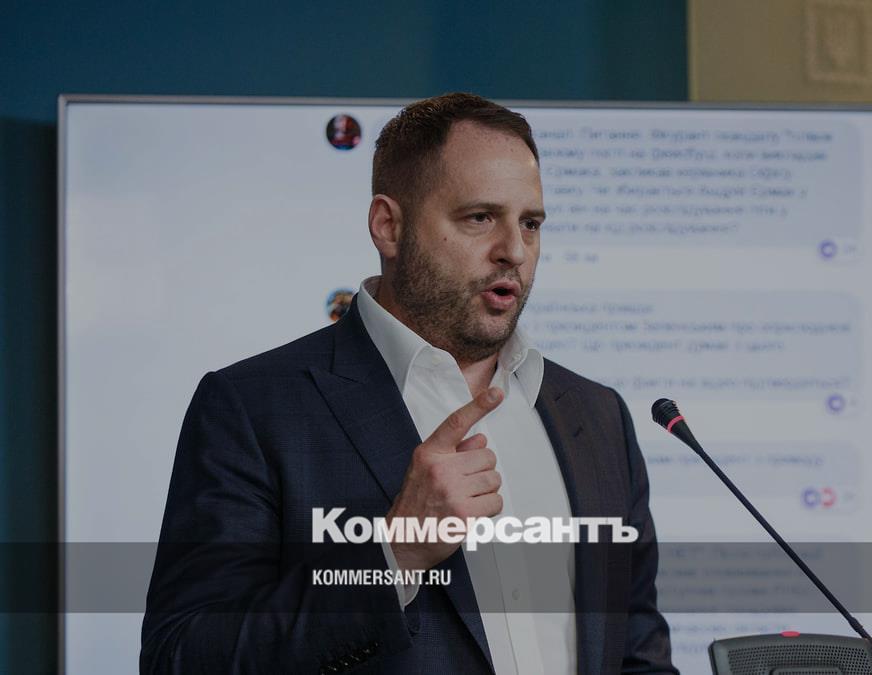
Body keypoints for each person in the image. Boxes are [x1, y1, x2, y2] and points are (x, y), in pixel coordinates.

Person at [141, 93, 677, 674]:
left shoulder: (597, 417)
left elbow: (637, 658)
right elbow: (182, 656)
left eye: (530, 223)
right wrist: (395, 555)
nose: (514, 252)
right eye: (479, 217)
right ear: (388, 226)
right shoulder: (254, 408)